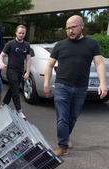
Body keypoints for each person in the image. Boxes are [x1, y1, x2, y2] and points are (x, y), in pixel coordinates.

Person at [43, 15, 108, 156]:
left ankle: (66, 137)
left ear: (82, 25)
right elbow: (49, 65)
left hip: (81, 88)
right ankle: (62, 147)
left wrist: (103, 83)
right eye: (67, 28)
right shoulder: (60, 45)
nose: (70, 31)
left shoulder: (92, 44)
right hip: (61, 86)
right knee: (62, 117)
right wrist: (46, 83)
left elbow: (99, 63)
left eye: (73, 27)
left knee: (73, 116)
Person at [0, 25, 31, 119]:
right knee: (16, 91)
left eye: (23, 33)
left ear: (25, 34)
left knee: (12, 89)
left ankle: (3, 104)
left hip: (20, 71)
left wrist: (27, 72)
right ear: (16, 33)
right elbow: (1, 55)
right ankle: (19, 111)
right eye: (19, 33)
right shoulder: (10, 44)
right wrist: (1, 63)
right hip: (11, 70)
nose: (21, 35)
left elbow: (28, 59)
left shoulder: (26, 45)